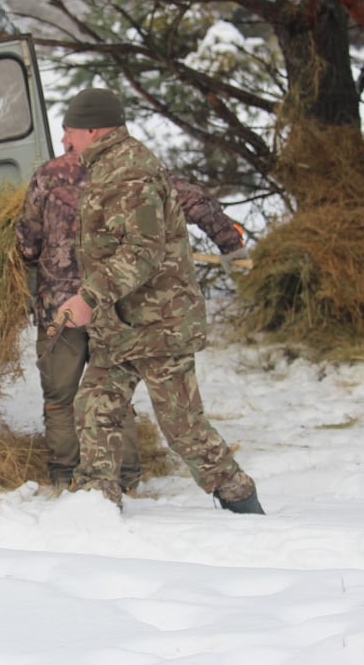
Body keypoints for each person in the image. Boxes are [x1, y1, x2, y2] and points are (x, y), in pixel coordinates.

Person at [53, 87, 265, 514]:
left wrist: (89, 297)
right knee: (95, 405)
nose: (64, 139)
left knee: (182, 426)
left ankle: (239, 498)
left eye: (69, 130)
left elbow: (142, 251)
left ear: (93, 130)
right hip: (123, 325)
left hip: (158, 325)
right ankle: (96, 502)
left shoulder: (130, 172)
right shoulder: (110, 166)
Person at [15, 136, 250, 497]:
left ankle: (66, 474)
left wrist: (40, 258)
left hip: (61, 306)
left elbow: (27, 241)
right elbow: (197, 202)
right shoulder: (135, 172)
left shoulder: (49, 176)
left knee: (63, 397)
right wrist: (231, 244)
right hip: (118, 306)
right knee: (112, 395)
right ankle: (125, 476)